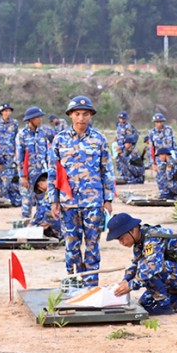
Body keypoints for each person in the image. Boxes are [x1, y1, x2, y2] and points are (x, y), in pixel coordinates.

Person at [51, 95, 115, 287]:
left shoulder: (99, 139)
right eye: (77, 114)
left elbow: (107, 170)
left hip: (93, 203)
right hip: (68, 202)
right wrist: (54, 200)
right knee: (71, 246)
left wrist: (108, 199)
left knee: (92, 246)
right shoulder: (60, 140)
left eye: (85, 114)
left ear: (91, 116)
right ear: (70, 115)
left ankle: (91, 285)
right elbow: (54, 172)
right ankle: (74, 283)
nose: (81, 118)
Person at [108, 212, 177, 314]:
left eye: (122, 238)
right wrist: (126, 280)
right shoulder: (139, 240)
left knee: (147, 269)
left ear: (132, 230)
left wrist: (130, 285)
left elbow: (152, 267)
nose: (121, 243)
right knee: (146, 303)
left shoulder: (152, 239)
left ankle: (164, 305)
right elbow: (136, 264)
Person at [14, 106, 53, 219]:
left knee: (43, 205)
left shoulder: (43, 133)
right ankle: (25, 227)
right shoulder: (22, 135)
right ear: (30, 119)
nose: (40, 120)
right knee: (27, 205)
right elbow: (19, 158)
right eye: (37, 118)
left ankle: (41, 226)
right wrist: (22, 176)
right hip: (28, 175)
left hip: (41, 176)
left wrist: (49, 174)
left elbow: (48, 154)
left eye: (40, 117)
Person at [24, 172, 63, 240]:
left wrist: (33, 223)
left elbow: (43, 209)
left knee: (48, 216)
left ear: (40, 184)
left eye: (40, 189)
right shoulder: (57, 182)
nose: (42, 191)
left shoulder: (52, 190)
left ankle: (60, 235)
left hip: (63, 218)